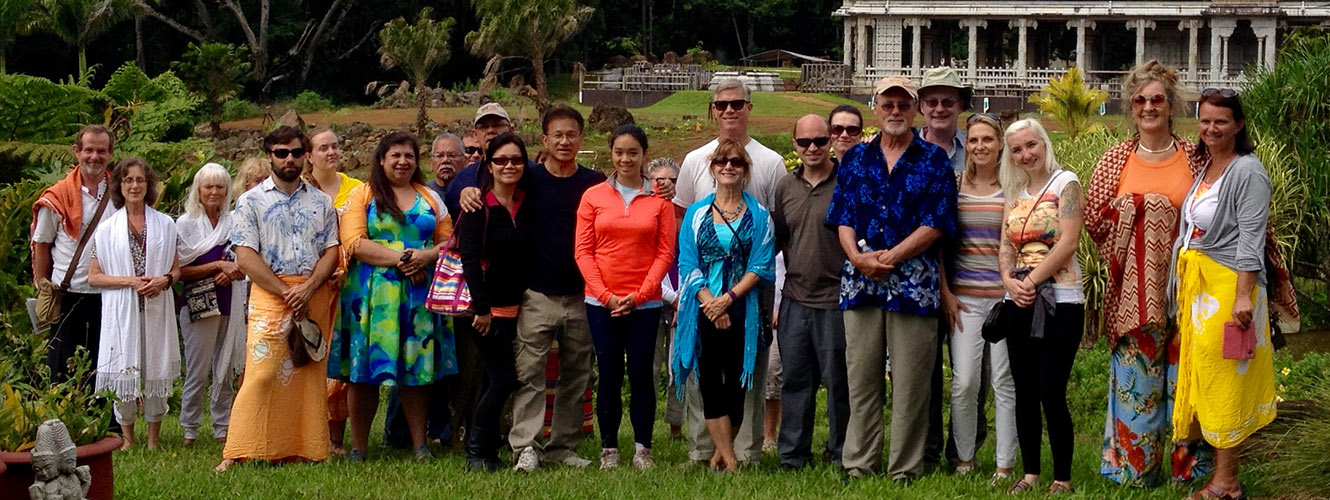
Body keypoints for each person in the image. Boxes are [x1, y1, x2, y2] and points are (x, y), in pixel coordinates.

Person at [1085, 61, 1212, 486]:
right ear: (1131, 107)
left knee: (1186, 379)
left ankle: (1190, 470)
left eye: (1157, 99)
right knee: (1137, 381)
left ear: (1171, 105)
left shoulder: (1195, 157)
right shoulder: (1116, 159)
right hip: (1134, 294)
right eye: (1140, 100)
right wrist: (1138, 214)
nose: (1148, 107)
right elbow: (1094, 221)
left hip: (1189, 286)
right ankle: (1134, 470)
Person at [828, 76, 957, 482]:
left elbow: (937, 222)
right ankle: (859, 463)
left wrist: (894, 256)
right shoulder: (856, 159)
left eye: (903, 105)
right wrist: (857, 257)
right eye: (888, 105)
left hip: (914, 285)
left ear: (914, 110)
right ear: (876, 108)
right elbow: (843, 215)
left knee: (911, 382)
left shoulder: (934, 160)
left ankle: (904, 467)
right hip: (860, 284)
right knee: (861, 379)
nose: (895, 112)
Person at [673, 78, 786, 466]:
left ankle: (742, 451)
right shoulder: (694, 167)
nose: (729, 110)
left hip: (746, 298)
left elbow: (768, 249)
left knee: (744, 376)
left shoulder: (770, 166)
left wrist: (730, 299)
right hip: (703, 300)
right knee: (705, 377)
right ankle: (708, 451)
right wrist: (709, 301)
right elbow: (685, 248)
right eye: (722, 105)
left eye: (737, 103)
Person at [1171, 89, 1275, 500]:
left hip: (1230, 289)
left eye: (1221, 121)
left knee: (1226, 380)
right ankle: (1221, 477)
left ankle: (1226, 483)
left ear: (1239, 125)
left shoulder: (1247, 171)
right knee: (1208, 378)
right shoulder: (1210, 167)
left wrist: (1243, 296)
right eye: (1205, 120)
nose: (1211, 128)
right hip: (1203, 291)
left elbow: (1251, 238)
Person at [217, 125, 340, 472]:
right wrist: (286, 292)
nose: (289, 159)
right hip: (271, 293)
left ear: (306, 156)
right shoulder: (250, 201)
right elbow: (245, 256)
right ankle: (238, 449)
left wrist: (309, 287)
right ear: (269, 156)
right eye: (281, 153)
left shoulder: (321, 202)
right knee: (262, 372)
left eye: (296, 152)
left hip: (313, 293)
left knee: (307, 374)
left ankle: (304, 448)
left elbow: (332, 250)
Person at [331, 131, 459, 462]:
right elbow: (354, 242)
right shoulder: (362, 195)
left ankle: (419, 445)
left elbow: (449, 240)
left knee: (417, 371)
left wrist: (425, 257)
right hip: (371, 299)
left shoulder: (430, 197)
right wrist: (404, 259)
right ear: (381, 160)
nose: (402, 162)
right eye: (395, 156)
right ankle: (359, 447)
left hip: (417, 297)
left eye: (409, 156)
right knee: (363, 373)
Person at [574, 125, 677, 469]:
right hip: (601, 302)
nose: (626, 159)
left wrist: (640, 294)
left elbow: (664, 253)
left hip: (644, 303)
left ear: (644, 155)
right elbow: (583, 251)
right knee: (609, 372)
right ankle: (609, 449)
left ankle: (642, 448)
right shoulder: (593, 197)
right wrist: (606, 296)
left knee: (642, 373)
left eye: (633, 152)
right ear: (611, 154)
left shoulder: (660, 201)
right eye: (619, 152)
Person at [998, 118, 1083, 495]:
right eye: (1017, 150)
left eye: (1031, 145)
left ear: (1044, 144)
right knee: (1025, 388)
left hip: (1060, 299)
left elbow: (1068, 242)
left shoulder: (1066, 183)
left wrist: (1031, 281)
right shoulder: (1014, 193)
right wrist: (1009, 281)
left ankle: (1062, 477)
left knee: (1051, 386)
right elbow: (1006, 244)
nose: (1025, 154)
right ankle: (1030, 472)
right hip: (1018, 299)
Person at [937, 113, 1017, 479]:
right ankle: (964, 460)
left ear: (1000, 144)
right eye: (973, 140)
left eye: (987, 139)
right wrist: (946, 292)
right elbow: (939, 244)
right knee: (965, 382)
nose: (980, 146)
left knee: (1003, 381)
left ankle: (1004, 464)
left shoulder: (1012, 186)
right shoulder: (955, 185)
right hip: (964, 298)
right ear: (966, 145)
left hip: (1003, 299)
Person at [771, 115, 851, 470]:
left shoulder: (846, 182)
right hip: (795, 296)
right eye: (804, 142)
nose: (813, 148)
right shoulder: (785, 187)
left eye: (819, 140)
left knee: (838, 383)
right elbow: (781, 239)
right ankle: (793, 455)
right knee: (795, 381)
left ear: (830, 140)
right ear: (795, 145)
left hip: (836, 298)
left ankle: (841, 453)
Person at [917, 66, 987, 468]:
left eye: (948, 101)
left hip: (974, 275)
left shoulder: (977, 147)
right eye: (932, 101)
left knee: (971, 373)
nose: (939, 108)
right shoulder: (908, 150)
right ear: (921, 107)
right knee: (924, 371)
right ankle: (926, 450)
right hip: (922, 275)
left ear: (961, 104)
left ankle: (965, 450)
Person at [87, 158, 181, 451]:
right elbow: (94, 277)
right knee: (123, 368)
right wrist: (129, 281)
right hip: (121, 311)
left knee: (155, 367)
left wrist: (164, 280)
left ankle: (153, 439)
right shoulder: (106, 230)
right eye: (128, 180)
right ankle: (127, 438)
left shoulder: (166, 224)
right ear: (119, 185)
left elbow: (177, 269)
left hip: (156, 307)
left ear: (148, 184)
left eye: (140, 180)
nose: (135, 185)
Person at [456, 132, 531, 472]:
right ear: (489, 165)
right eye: (501, 160)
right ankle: (475, 451)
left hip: (515, 307)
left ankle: (486, 450)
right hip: (486, 311)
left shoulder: (524, 203)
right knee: (504, 379)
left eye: (516, 160)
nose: (509, 166)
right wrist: (482, 309)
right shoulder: (478, 206)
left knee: (491, 379)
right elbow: (469, 260)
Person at [31, 125, 117, 382]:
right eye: (88, 150)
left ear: (110, 154)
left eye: (101, 151)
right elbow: (42, 244)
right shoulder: (57, 197)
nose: (94, 157)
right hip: (68, 294)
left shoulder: (120, 193)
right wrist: (44, 287)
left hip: (109, 294)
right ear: (76, 152)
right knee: (62, 372)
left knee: (104, 370)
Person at [175, 163, 246, 446]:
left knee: (225, 368)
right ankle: (190, 427)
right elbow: (179, 270)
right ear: (198, 190)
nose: (214, 192)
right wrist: (217, 266)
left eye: (220, 187)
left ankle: (222, 426)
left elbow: (246, 260)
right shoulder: (186, 224)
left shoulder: (235, 221)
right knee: (197, 369)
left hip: (231, 300)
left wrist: (232, 271)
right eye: (208, 187)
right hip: (198, 304)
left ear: (227, 190)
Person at [303, 127, 362, 454]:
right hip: (310, 286)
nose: (331, 152)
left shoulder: (357, 189)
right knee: (309, 355)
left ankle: (336, 437)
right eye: (323, 148)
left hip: (348, 285)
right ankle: (308, 433)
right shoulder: (299, 190)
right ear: (309, 155)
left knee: (340, 360)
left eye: (335, 146)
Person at [646, 157, 685, 440]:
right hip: (650, 298)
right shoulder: (642, 214)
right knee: (648, 366)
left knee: (679, 365)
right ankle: (644, 427)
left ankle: (676, 427)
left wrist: (682, 300)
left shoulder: (686, 216)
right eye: (660, 180)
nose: (666, 185)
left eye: (672, 180)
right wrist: (670, 296)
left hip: (682, 301)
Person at [444, 103, 516, 216]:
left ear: (511, 130)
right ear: (475, 135)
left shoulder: (531, 172)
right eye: (483, 127)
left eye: (497, 125)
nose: (490, 131)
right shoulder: (463, 180)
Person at [427, 133, 466, 197]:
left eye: (452, 155)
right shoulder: (423, 193)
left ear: (464, 161)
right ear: (431, 163)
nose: (445, 160)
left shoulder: (471, 192)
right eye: (439, 156)